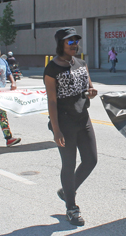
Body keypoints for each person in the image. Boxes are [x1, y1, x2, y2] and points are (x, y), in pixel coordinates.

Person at [44, 27, 98, 226]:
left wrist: (91, 92)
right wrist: (56, 130)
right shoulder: (52, 68)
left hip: (83, 118)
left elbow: (88, 88)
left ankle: (66, 191)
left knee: (91, 160)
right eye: (70, 41)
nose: (74, 44)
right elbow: (51, 101)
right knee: (69, 164)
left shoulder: (81, 64)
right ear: (61, 44)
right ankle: (71, 208)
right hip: (64, 122)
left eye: (76, 41)